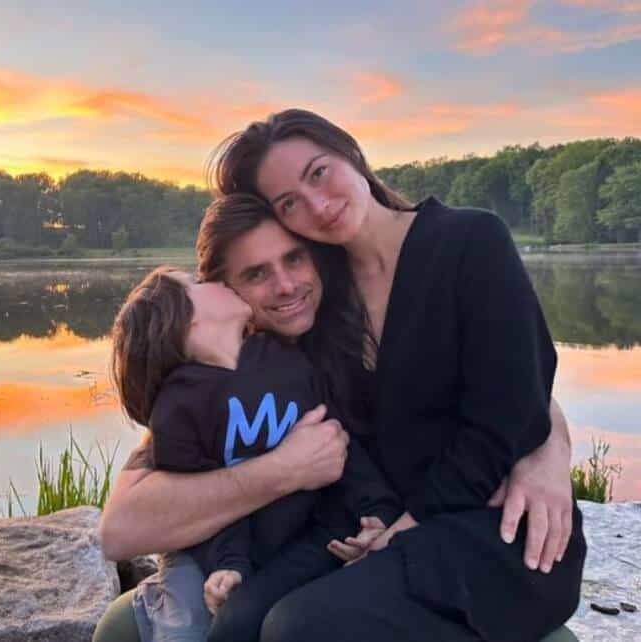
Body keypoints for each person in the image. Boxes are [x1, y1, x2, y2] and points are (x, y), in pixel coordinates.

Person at [94, 110, 583, 642]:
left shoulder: (470, 242)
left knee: (295, 629)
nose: (317, 206)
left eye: (318, 172)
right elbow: (133, 509)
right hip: (368, 534)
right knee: (238, 625)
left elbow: (511, 401)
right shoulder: (314, 298)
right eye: (288, 204)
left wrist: (548, 447)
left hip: (490, 533)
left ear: (350, 152)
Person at [108, 198, 403, 641]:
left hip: (339, 541)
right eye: (256, 273)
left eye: (294, 258)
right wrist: (284, 469)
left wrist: (548, 438)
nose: (285, 285)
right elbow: (119, 531)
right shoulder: (201, 391)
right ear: (225, 287)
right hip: (243, 561)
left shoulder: (365, 326)